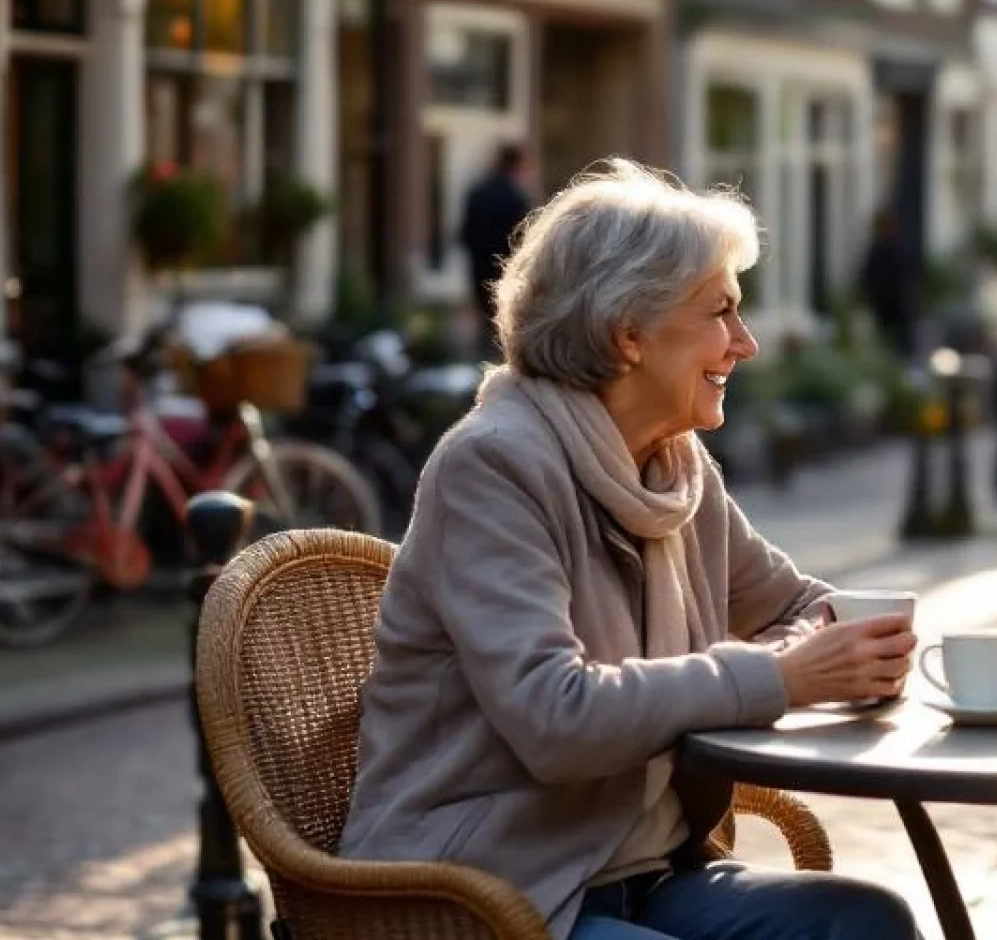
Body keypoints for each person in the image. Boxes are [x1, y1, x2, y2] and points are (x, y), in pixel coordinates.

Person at [340, 160, 922, 940]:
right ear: (628, 335)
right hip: (488, 890)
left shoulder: (673, 464)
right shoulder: (494, 464)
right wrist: (778, 677)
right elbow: (554, 716)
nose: (745, 344)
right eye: (720, 312)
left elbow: (793, 604)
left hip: (645, 874)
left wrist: (825, 649)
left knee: (864, 922)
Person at [460, 142, 535, 350]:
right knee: (505, 327)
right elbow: (525, 241)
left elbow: (465, 234)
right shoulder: (517, 197)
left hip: (479, 271)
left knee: (486, 324)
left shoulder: (477, 193)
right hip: (507, 272)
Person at [857, 208, 921, 358]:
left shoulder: (899, 249)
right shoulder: (879, 251)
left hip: (898, 307)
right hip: (886, 306)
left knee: (901, 346)